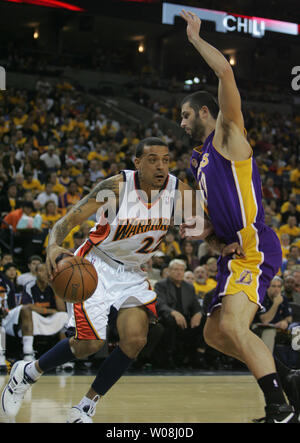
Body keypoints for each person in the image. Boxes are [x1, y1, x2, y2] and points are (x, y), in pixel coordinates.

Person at [1, 136, 231, 423]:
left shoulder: (180, 193)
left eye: (165, 160)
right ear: (137, 163)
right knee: (88, 346)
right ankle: (28, 372)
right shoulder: (116, 187)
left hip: (133, 271)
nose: (161, 167)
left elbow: (205, 230)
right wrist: (52, 246)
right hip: (96, 265)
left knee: (135, 340)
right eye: (152, 160)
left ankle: (84, 407)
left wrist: (223, 247)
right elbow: (67, 222)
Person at [179, 10, 299, 422]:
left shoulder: (228, 135)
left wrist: (196, 38)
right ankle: (286, 376)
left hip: (256, 245)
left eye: (186, 114)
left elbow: (226, 75)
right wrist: (209, 238)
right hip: (235, 250)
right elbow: (212, 223)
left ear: (205, 112)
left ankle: (279, 407)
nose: (182, 122)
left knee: (232, 326)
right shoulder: (198, 163)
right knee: (214, 334)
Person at [1, 263, 67, 362]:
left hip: (47, 318)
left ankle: (63, 357)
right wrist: (48, 310)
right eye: (41, 271)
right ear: (36, 273)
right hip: (33, 317)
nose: (45, 274)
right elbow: (27, 306)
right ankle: (28, 353)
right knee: (28, 312)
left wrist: (54, 287)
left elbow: (62, 309)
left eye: (47, 271)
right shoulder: (30, 286)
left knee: (64, 316)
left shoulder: (52, 286)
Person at [155, 259, 203, 368]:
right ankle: (170, 357)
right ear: (169, 271)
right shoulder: (161, 285)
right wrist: (173, 312)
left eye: (182, 270)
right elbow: (160, 304)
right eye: (176, 269)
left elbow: (196, 306)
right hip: (168, 318)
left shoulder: (189, 287)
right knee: (171, 321)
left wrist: (198, 313)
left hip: (186, 317)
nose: (179, 272)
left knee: (203, 320)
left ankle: (198, 357)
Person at [252, 277, 292, 354]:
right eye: (273, 286)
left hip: (277, 328)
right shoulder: (261, 298)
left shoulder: (283, 298)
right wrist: (275, 304)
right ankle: (265, 362)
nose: (276, 289)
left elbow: (289, 317)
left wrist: (285, 322)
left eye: (279, 286)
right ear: (267, 287)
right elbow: (265, 320)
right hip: (258, 327)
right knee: (269, 332)